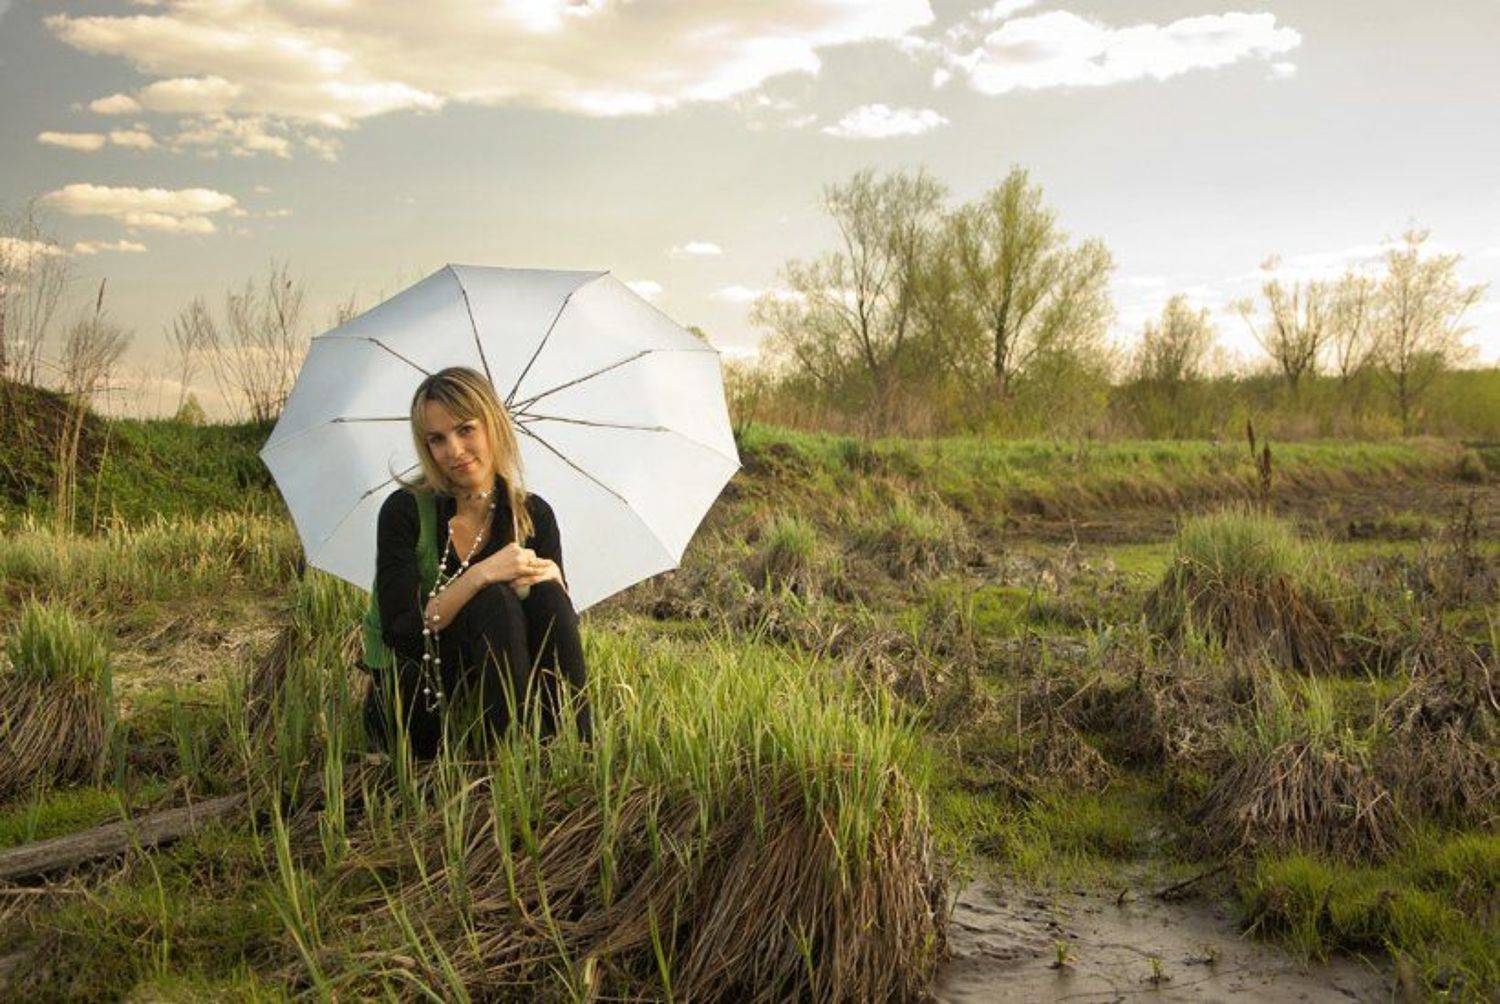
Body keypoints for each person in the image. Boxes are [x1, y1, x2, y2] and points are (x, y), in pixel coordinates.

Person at [361, 365, 590, 759]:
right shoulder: (404, 511)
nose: (453, 450)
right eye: (437, 439)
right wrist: (482, 574)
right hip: (419, 694)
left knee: (549, 597)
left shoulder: (531, 515)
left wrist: (556, 584)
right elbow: (403, 630)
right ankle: (504, 764)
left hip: (504, 685)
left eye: (465, 429)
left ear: (493, 426)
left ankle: (576, 751)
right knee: (495, 602)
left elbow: (550, 634)